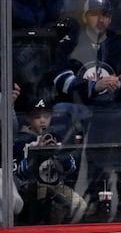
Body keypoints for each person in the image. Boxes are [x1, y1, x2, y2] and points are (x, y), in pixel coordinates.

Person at [51, 0, 121, 142]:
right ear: (85, 17)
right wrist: (94, 87)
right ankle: (63, 160)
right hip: (82, 107)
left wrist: (119, 88)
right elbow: (62, 81)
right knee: (60, 109)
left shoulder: (120, 47)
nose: (100, 19)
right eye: (94, 14)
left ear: (110, 19)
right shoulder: (70, 45)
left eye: (105, 15)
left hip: (113, 106)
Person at [13, 96, 87, 224]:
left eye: (46, 117)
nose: (42, 121)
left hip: (57, 186)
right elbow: (17, 172)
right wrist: (38, 152)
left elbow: (71, 168)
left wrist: (58, 153)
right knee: (48, 206)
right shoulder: (21, 141)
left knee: (80, 206)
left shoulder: (57, 137)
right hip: (30, 188)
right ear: (28, 119)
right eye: (37, 117)